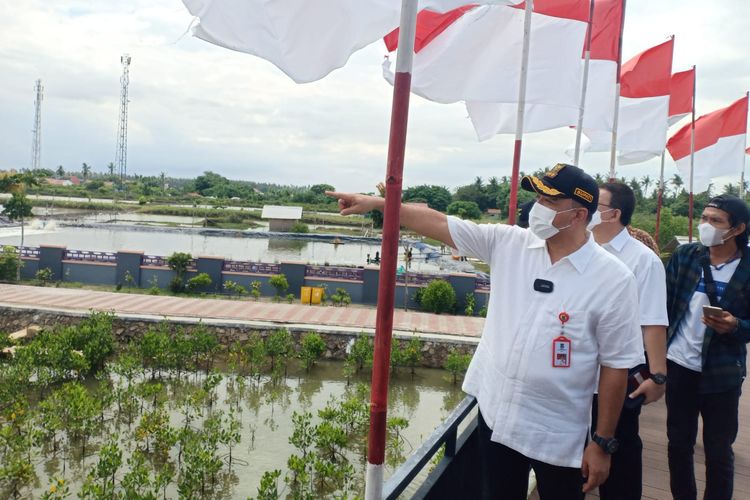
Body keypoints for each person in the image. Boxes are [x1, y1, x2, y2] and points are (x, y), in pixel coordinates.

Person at [328, 163, 643, 499]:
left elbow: (615, 366)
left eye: (548, 201)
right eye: (536, 196)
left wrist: (602, 443)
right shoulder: (510, 244)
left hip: (557, 433)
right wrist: (379, 205)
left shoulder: (613, 279)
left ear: (578, 214)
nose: (536, 207)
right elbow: (440, 223)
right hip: (498, 417)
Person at [665, 194, 750, 500]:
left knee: (718, 451)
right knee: (678, 444)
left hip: (722, 372)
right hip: (679, 365)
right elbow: (665, 306)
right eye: (704, 218)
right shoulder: (687, 256)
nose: (706, 225)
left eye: (715, 221)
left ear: (737, 229)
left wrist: (736, 325)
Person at [589, 182, 669, 500]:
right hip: (576, 377)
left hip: (618, 376)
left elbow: (653, 321)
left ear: (614, 213)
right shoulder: (581, 249)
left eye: (596, 203)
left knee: (619, 457)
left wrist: (658, 376)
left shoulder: (643, 260)